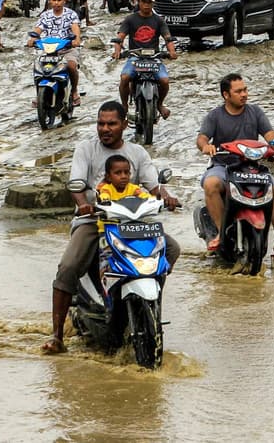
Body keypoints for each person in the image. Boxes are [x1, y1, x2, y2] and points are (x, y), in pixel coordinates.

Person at [42, 101, 180, 354]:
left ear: (125, 125)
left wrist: (167, 197)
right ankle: (57, 335)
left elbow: (153, 186)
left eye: (111, 124)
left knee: (171, 248)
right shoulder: (86, 149)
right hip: (95, 222)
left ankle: (149, 303)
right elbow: (77, 183)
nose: (105, 129)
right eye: (100, 124)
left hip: (134, 224)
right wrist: (83, 204)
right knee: (69, 267)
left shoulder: (137, 153)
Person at [196, 73, 274, 260]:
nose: (244, 94)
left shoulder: (256, 112)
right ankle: (221, 233)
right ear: (226, 95)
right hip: (224, 166)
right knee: (210, 184)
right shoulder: (215, 116)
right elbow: (202, 137)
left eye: (245, 90)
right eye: (238, 91)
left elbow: (270, 136)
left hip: (252, 167)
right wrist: (206, 146)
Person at [113, 0, 177, 120]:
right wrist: (117, 51)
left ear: (153, 3)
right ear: (139, 2)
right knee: (125, 78)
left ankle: (159, 104)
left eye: (149, 2)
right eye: (144, 2)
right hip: (135, 58)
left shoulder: (159, 20)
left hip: (154, 59)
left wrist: (172, 51)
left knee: (164, 80)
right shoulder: (130, 19)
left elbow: (168, 38)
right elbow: (120, 37)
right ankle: (124, 106)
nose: (146, 5)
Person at [29, 0, 83, 107]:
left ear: (64, 1)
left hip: (67, 48)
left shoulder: (71, 14)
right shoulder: (45, 15)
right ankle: (39, 94)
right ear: (50, 1)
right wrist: (32, 39)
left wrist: (76, 39)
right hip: (48, 50)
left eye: (59, 0)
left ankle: (74, 91)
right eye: (54, 0)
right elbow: (38, 29)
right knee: (37, 68)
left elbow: (75, 28)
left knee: (71, 66)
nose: (56, 2)